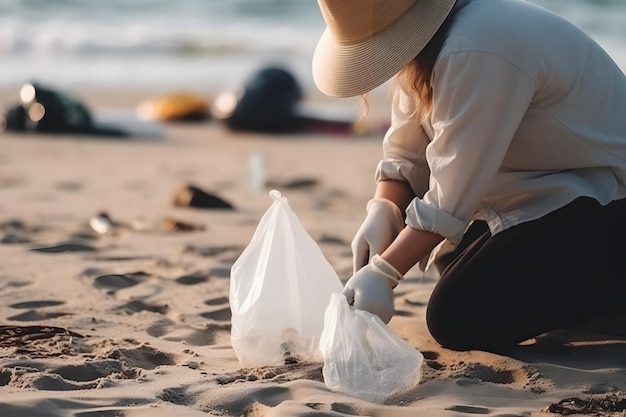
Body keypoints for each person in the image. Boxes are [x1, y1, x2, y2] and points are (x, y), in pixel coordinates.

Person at [312, 0, 626, 352]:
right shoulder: (431, 40)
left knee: (457, 315)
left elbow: (451, 194)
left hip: (610, 200)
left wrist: (385, 271)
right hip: (554, 191)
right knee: (453, 261)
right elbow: (407, 149)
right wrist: (383, 207)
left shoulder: (477, 45)